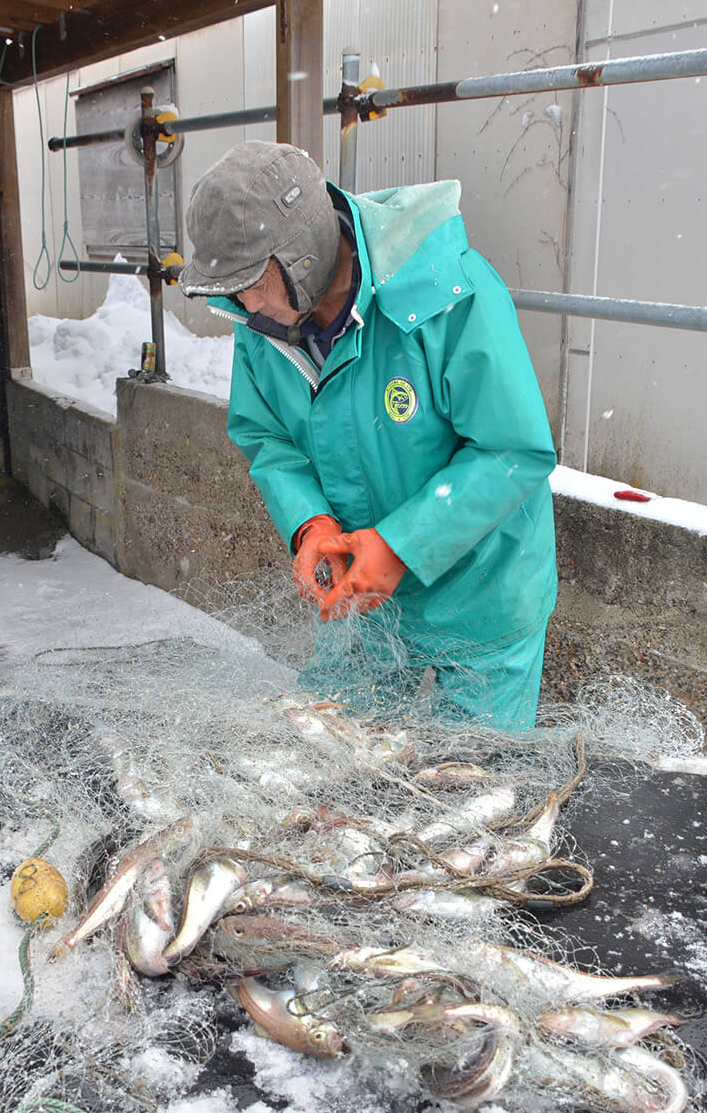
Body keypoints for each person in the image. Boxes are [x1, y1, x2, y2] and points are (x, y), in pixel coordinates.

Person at [178, 141, 557, 731]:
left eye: (249, 282)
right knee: (329, 772)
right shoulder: (262, 320)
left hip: (483, 595)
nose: (241, 303)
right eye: (229, 288)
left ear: (300, 256)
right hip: (361, 604)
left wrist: (402, 544)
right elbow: (266, 437)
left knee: (472, 790)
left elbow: (514, 449)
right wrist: (310, 523)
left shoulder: (451, 290)